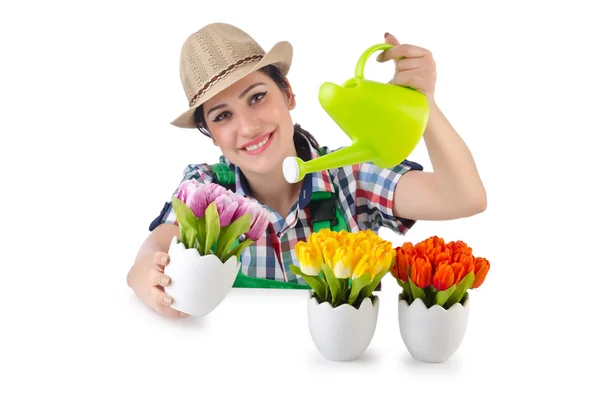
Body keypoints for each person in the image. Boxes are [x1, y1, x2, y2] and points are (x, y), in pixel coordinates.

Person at [126, 23, 487, 318]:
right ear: (213, 136)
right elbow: (154, 248)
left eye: (257, 97)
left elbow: (465, 197)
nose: (249, 126)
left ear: (288, 94)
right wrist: (146, 274)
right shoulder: (205, 190)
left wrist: (424, 105)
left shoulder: (353, 176)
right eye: (223, 116)